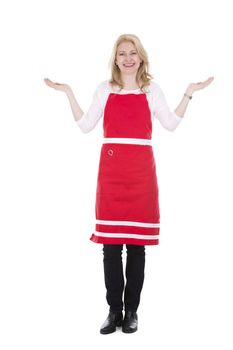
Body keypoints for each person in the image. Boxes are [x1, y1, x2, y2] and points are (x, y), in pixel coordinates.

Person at [44, 33, 214, 334]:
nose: (127, 58)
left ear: (141, 56)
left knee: (137, 248)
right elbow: (85, 127)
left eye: (132, 52)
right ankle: (114, 311)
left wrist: (189, 92)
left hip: (141, 175)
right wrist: (68, 92)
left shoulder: (152, 90)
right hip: (111, 174)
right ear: (115, 59)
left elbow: (171, 125)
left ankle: (132, 312)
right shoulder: (104, 89)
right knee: (110, 248)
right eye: (121, 53)